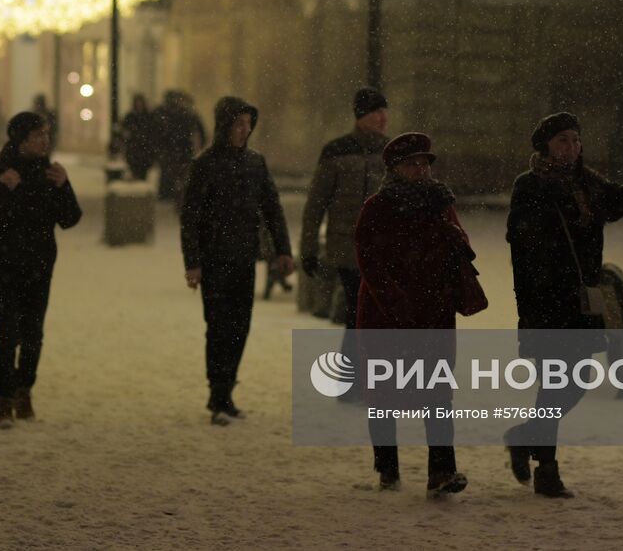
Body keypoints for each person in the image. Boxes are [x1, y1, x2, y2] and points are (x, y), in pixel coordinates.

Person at [504, 112, 623, 498]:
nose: (571, 148)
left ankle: (523, 437)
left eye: (575, 140)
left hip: (583, 302)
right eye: (562, 141)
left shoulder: (588, 183)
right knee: (554, 385)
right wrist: (537, 295)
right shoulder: (530, 187)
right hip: (545, 302)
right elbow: (521, 249)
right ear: (546, 146)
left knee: (577, 381)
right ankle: (547, 470)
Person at [355, 132, 474, 495]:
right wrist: (396, 303)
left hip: (434, 311)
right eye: (412, 164)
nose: (421, 170)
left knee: (438, 392)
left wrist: (457, 249)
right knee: (384, 392)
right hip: (387, 314)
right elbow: (370, 262)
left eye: (425, 163)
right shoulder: (377, 207)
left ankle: (441, 470)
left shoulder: (441, 203)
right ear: (394, 169)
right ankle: (387, 467)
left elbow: (461, 245)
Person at [180, 96, 294, 424]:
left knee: (239, 327)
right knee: (218, 327)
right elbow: (191, 217)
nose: (245, 130)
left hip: (244, 257)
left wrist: (283, 250)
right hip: (215, 260)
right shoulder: (205, 165)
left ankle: (227, 390)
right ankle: (218, 396)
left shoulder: (255, 163)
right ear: (224, 126)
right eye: (239, 124)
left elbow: (272, 208)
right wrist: (193, 262)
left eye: (248, 124)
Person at [0, 112, 82, 428]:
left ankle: (25, 391)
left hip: (38, 265)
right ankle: (3, 400)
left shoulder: (50, 174)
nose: (45, 141)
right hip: (3, 266)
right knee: (7, 334)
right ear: (20, 141)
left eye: (47, 134)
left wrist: (64, 187)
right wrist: (0, 189)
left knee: (33, 334)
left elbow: (70, 219)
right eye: (38, 135)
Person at [299, 87, 390, 392]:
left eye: (383, 111)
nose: (382, 117)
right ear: (360, 116)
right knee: (357, 312)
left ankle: (359, 381)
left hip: (381, 249)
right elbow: (316, 204)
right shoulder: (336, 151)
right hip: (347, 248)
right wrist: (309, 249)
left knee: (369, 315)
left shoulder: (392, 153)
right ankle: (356, 382)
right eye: (375, 111)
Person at [119, 94, 159, 180]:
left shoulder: (149, 116)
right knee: (135, 169)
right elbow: (125, 132)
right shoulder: (130, 116)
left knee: (143, 170)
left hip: (145, 149)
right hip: (134, 149)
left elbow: (153, 132)